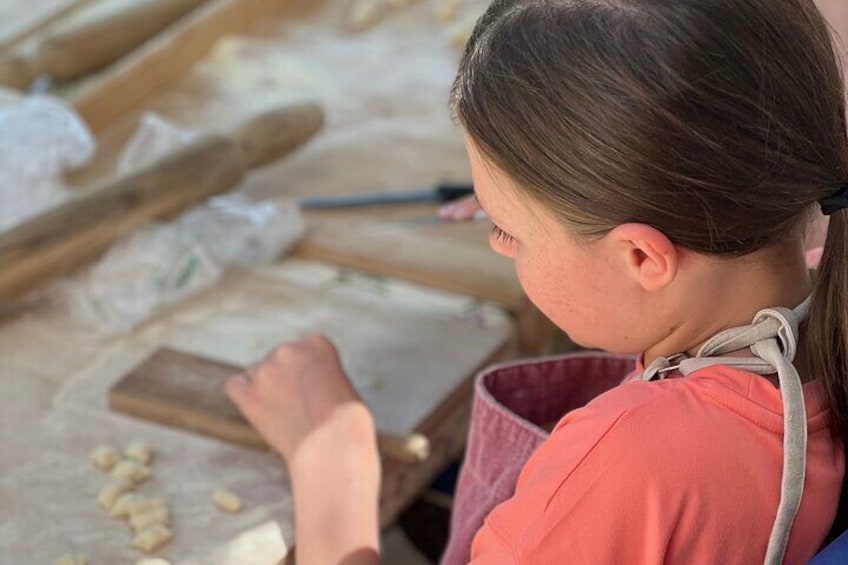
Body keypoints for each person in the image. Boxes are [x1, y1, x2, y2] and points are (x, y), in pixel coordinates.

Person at [224, 0, 848, 563]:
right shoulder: (823, 292)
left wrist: (332, 468)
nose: (496, 243)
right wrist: (541, 211)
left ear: (641, 258)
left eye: (505, 231)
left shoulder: (627, 467)